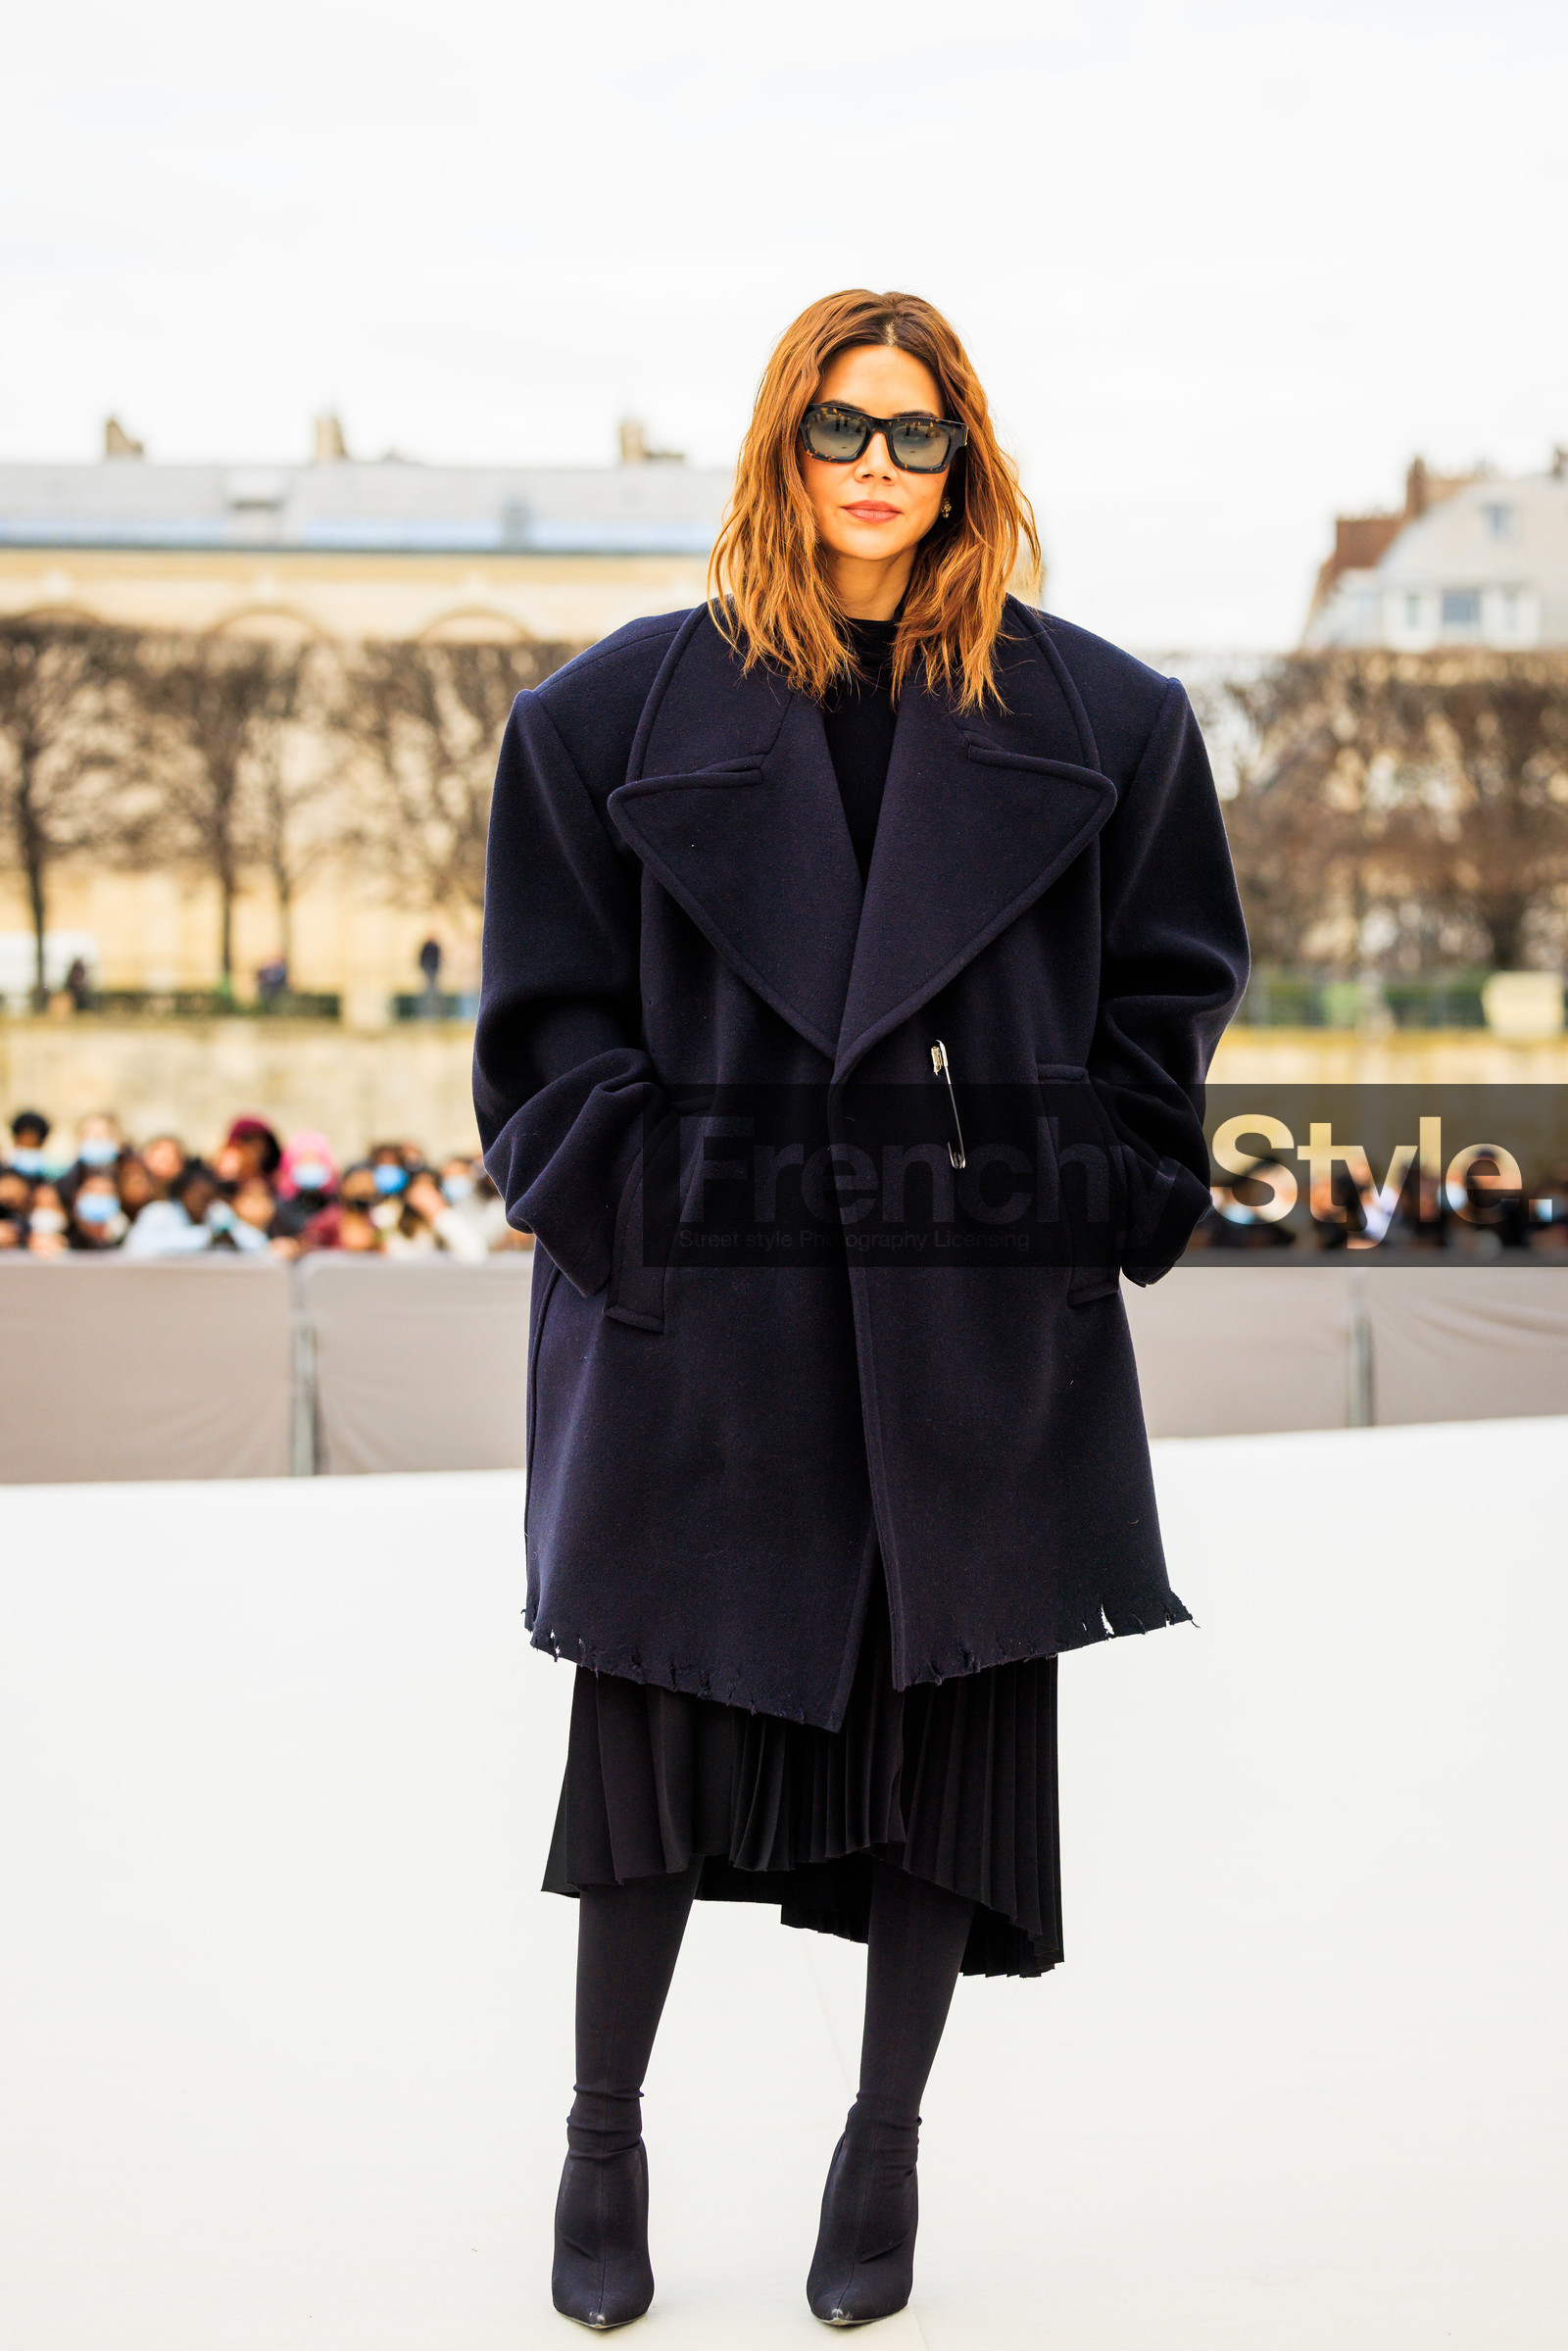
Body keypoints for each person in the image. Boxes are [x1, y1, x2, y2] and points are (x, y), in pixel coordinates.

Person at [474, 288, 1250, 2328]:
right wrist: (651, 1219)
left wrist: (1058, 1188)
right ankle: (598, 2136)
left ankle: (879, 2150)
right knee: (648, 1743)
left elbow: (1160, 1017)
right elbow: (539, 1043)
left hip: (960, 1316)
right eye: (842, 430)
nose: (879, 473)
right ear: (778, 447)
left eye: (919, 437)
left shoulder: (1108, 723)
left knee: (943, 1746)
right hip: (703, 1326)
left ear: (968, 460)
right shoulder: (601, 719)